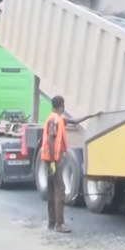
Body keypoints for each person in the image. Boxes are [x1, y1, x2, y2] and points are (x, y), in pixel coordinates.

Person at [41, 95, 97, 233]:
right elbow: (52, 138)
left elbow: (73, 121)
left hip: (49, 158)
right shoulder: (55, 120)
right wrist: (55, 160)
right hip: (54, 158)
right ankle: (59, 224)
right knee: (60, 190)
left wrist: (88, 116)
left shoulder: (56, 118)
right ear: (62, 106)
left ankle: (51, 222)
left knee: (52, 190)